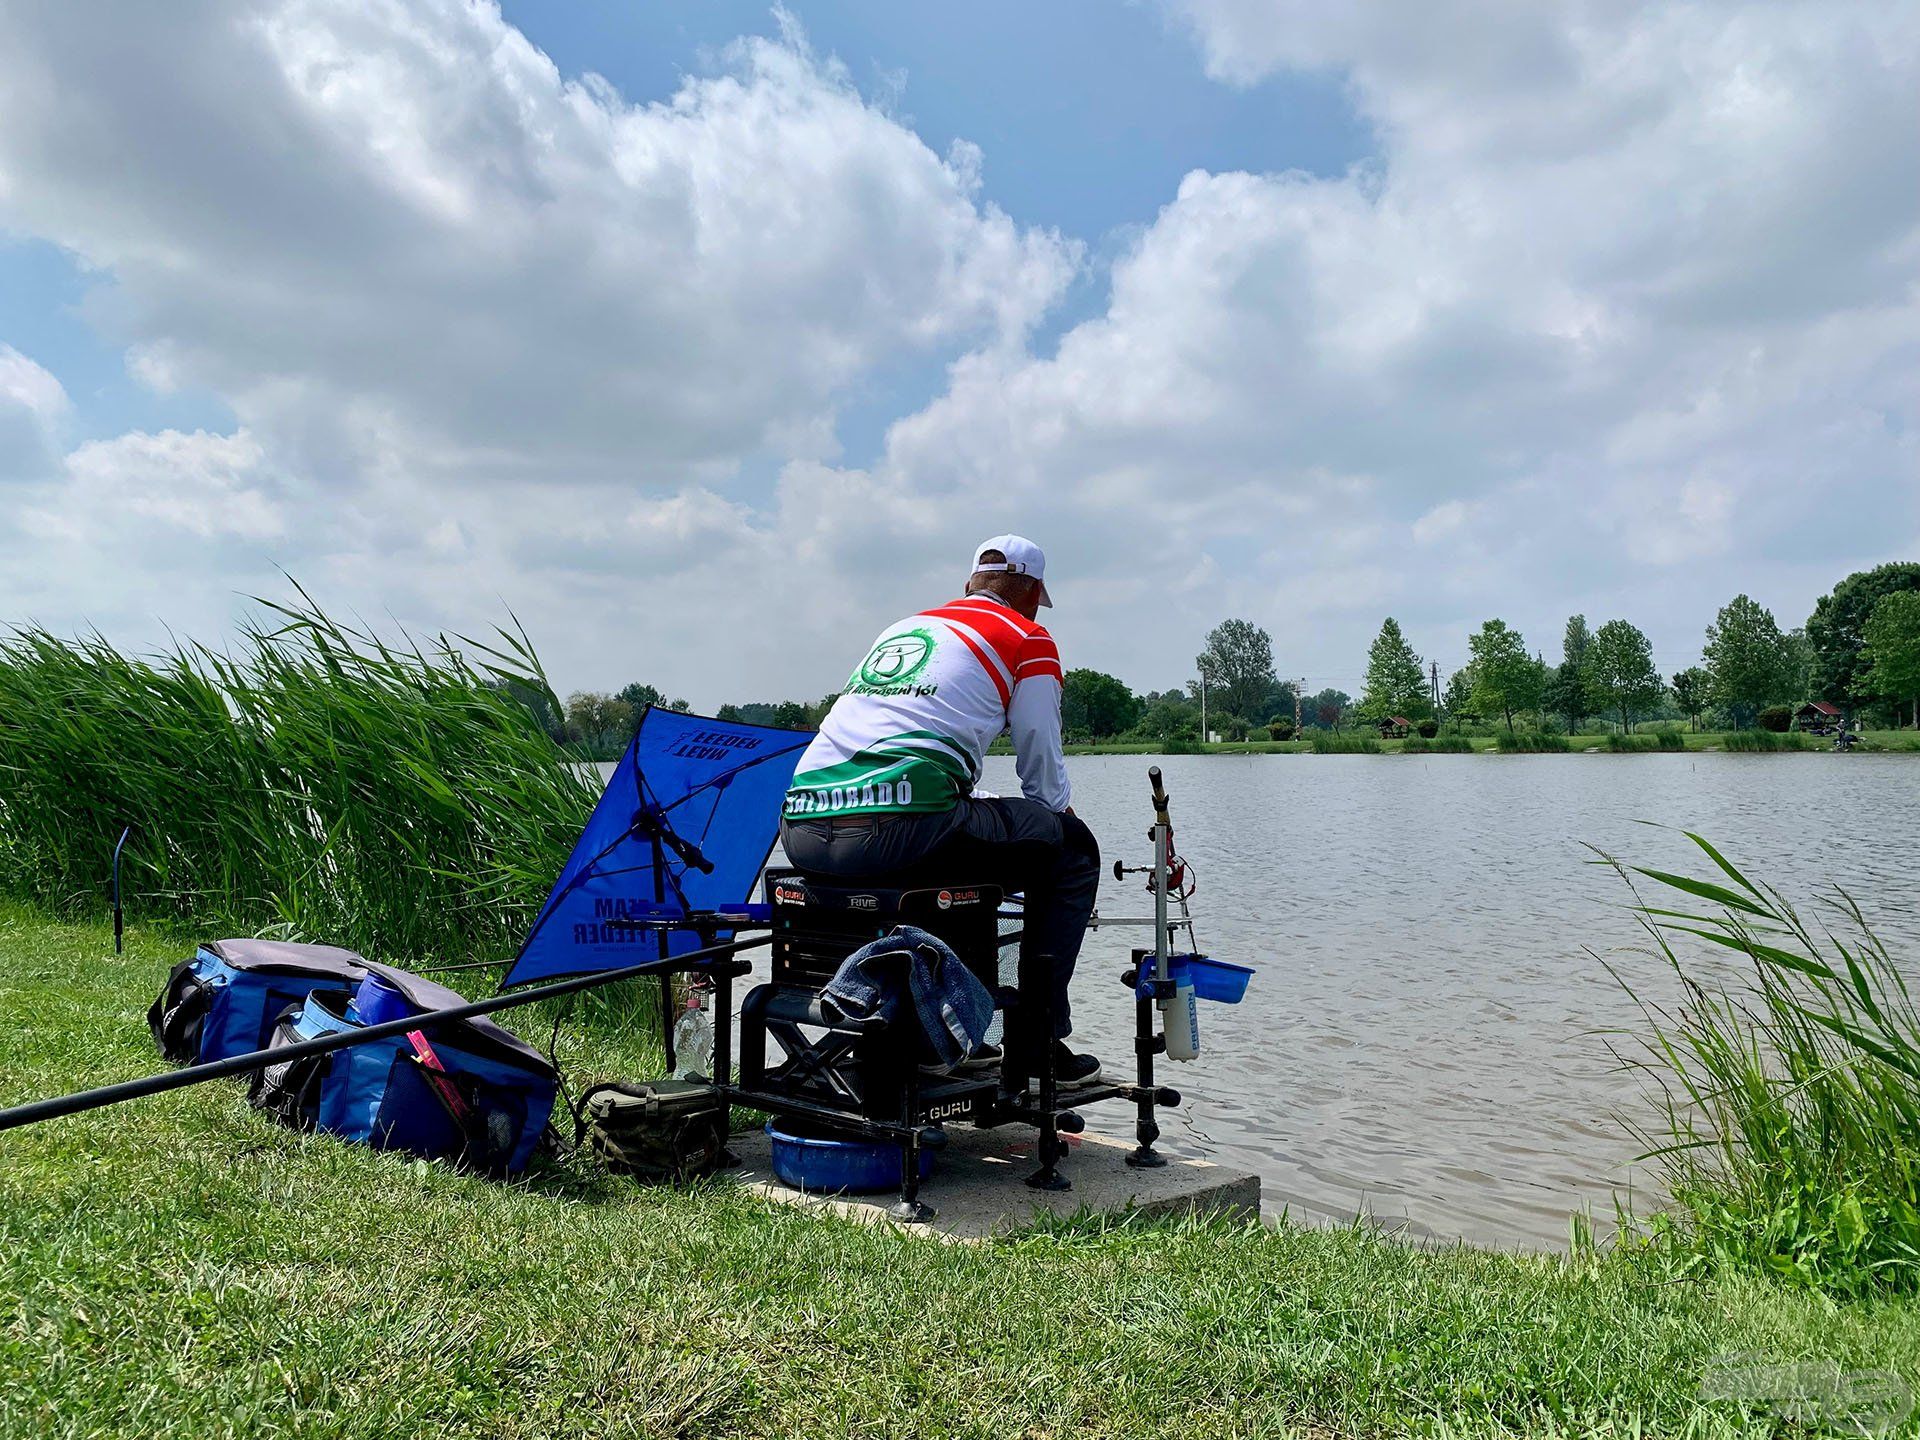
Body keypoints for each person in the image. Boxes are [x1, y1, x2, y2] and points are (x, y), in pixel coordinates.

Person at [780, 534, 1103, 1081]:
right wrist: (1057, 819)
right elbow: (1040, 757)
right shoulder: (1029, 637)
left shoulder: (904, 629)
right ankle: (1037, 1046)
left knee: (969, 842)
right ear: (1030, 590)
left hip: (802, 830)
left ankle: (943, 1029)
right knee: (1071, 851)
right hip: (899, 829)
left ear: (970, 585)